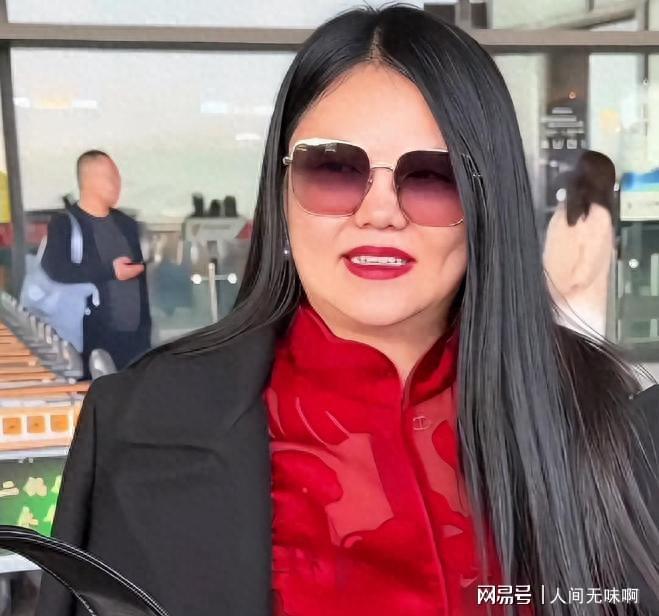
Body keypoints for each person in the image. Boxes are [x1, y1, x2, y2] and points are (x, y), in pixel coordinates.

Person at [38, 7, 658, 616]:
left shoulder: (607, 415)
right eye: (334, 169)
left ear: (487, 202)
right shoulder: (141, 424)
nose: (379, 212)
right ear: (283, 191)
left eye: (432, 176)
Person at [41, 150, 151, 377]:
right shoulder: (65, 224)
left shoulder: (127, 224)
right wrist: (110, 271)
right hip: (90, 338)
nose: (117, 184)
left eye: (117, 177)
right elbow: (56, 270)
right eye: (109, 177)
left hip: (135, 341)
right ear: (88, 180)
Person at [543, 150, 617, 337]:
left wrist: (555, 291)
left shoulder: (562, 214)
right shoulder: (599, 216)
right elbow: (586, 271)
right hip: (585, 310)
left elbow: (550, 261)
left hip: (557, 307)